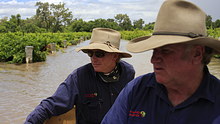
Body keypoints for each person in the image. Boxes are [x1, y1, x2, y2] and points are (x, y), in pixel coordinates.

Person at [101, 0, 220, 124]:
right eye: (154, 51)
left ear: (197, 54)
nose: (153, 60)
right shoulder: (136, 89)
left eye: (165, 51)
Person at [25, 28, 135, 124]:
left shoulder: (128, 73)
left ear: (115, 56)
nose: (93, 58)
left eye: (99, 54)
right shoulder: (79, 77)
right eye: (90, 53)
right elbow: (51, 105)